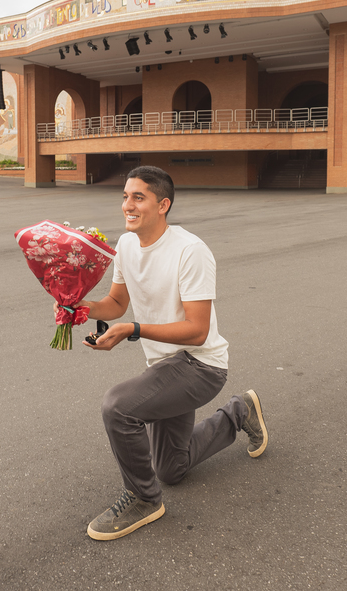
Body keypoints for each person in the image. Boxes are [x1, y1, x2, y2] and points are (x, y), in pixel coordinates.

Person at [79, 165, 268, 541]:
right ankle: (239, 411)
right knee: (171, 469)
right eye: (125, 196)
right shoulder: (127, 245)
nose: (127, 206)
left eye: (138, 197)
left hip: (200, 367)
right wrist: (78, 306)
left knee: (118, 406)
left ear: (162, 204)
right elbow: (116, 303)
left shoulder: (190, 251)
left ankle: (143, 499)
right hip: (166, 366)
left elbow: (197, 331)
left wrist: (133, 329)